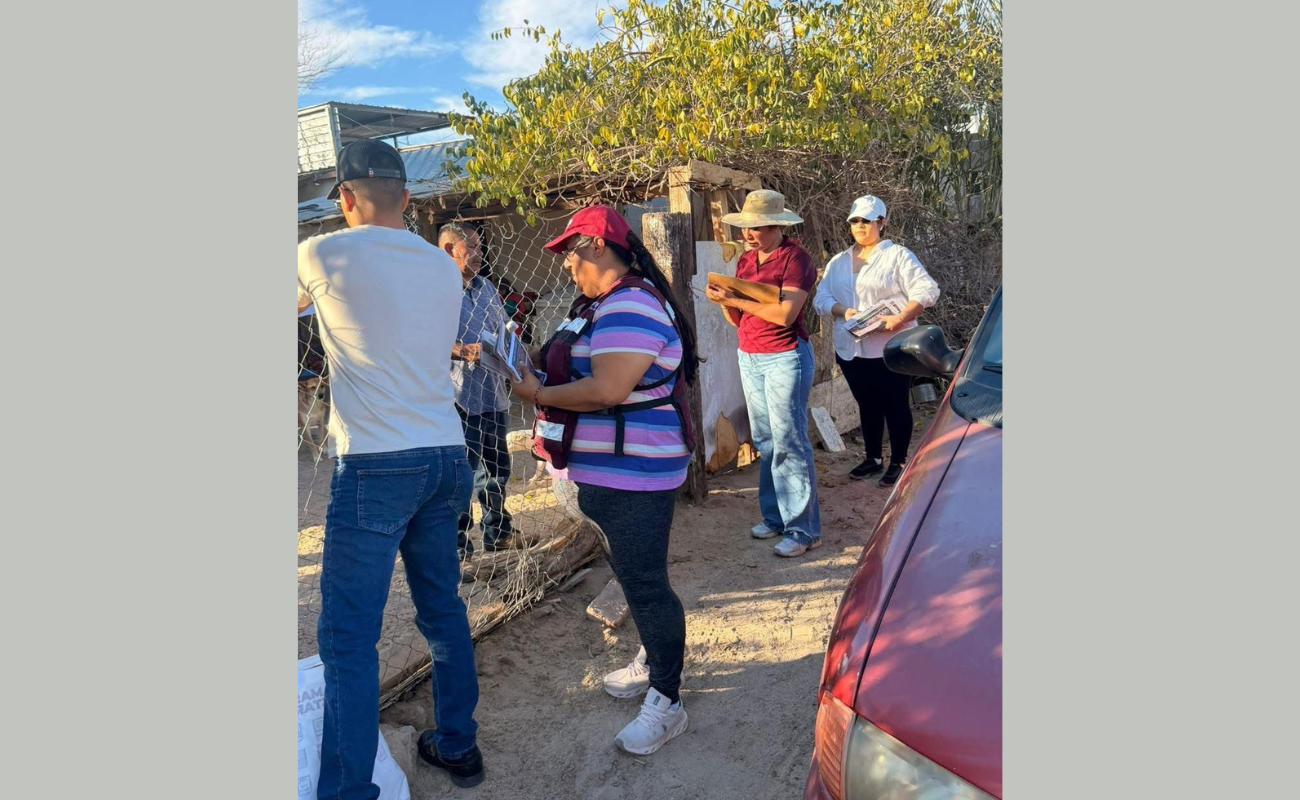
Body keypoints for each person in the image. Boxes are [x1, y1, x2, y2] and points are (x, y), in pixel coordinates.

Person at [297, 139, 485, 797]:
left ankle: (348, 791)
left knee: (348, 639)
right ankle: (459, 746)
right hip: (444, 453)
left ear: (345, 199)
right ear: (407, 199)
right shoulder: (443, 267)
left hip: (376, 465)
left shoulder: (321, 252)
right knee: (441, 608)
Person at [509, 205, 699, 756]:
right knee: (634, 573)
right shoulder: (602, 307)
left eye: (570, 251)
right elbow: (580, 372)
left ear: (595, 244)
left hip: (635, 472)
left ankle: (668, 701)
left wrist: (537, 394)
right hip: (613, 469)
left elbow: (609, 388)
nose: (566, 265)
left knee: (644, 582)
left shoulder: (630, 303)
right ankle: (654, 659)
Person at [705, 190, 822, 558]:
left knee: (789, 441)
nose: (749, 235)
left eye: (757, 228)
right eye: (747, 228)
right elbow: (738, 320)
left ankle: (802, 529)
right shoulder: (746, 262)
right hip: (751, 355)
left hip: (785, 356)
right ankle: (775, 518)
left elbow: (786, 315)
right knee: (767, 440)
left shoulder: (797, 260)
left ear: (778, 227)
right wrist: (725, 301)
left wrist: (735, 300)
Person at [812, 194, 940, 486]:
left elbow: (926, 290)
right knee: (866, 404)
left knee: (895, 404)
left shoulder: (897, 256)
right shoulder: (838, 262)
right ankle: (873, 458)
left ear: (881, 222)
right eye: (855, 220)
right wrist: (843, 310)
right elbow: (821, 298)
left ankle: (898, 461)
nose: (860, 226)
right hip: (851, 347)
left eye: (867, 221)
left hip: (891, 347)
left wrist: (900, 317)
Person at [440, 223, 515, 560]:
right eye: (470, 248)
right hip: (457, 397)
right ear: (448, 251)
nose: (479, 254)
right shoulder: (435, 291)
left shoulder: (486, 287)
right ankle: (457, 546)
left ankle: (497, 532)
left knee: (497, 468)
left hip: (493, 390)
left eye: (480, 248)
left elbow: (502, 329)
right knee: (460, 475)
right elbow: (422, 339)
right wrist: (461, 349)